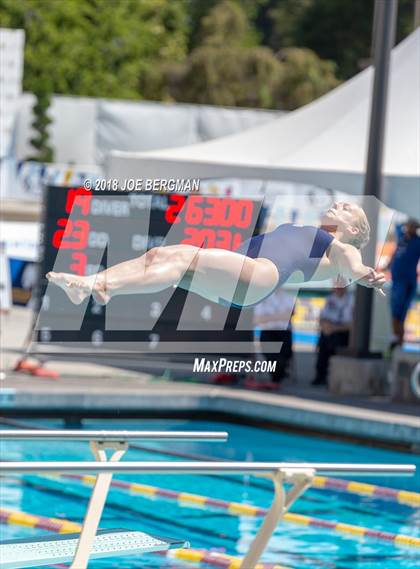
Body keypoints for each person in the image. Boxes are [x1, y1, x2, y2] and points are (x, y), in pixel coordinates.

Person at [47, 202, 385, 308]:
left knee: (178, 257)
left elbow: (351, 264)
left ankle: (94, 283)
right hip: (236, 286)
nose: (337, 206)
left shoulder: (333, 245)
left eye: (346, 209)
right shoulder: (311, 240)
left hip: (256, 275)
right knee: (163, 258)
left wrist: (364, 273)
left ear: (353, 230)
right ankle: (100, 286)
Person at [311, 285, 354, 386]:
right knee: (324, 341)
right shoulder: (330, 299)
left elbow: (352, 325)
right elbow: (322, 318)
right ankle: (320, 374)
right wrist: (326, 327)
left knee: (332, 340)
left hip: (343, 331)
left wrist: (334, 328)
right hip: (330, 330)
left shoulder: (352, 300)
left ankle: (330, 374)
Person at [388, 218, 420, 349]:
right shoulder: (402, 237)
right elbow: (397, 224)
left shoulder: (417, 241)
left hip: (407, 281)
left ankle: (398, 341)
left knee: (401, 313)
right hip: (397, 281)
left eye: (413, 226)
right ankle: (396, 340)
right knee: (395, 312)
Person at [254, 289, 295, 386]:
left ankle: (278, 375)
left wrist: (269, 317)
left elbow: (290, 315)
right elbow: (258, 319)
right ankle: (277, 375)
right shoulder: (263, 298)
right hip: (268, 332)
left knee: (283, 354)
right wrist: (281, 316)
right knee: (271, 355)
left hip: (284, 332)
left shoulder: (289, 296)